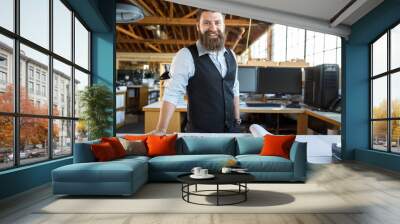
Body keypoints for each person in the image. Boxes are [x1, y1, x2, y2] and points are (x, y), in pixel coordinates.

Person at [150, 10, 241, 135]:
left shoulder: (232, 55)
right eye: (207, 23)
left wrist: (237, 119)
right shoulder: (186, 55)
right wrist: (161, 129)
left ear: (224, 26)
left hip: (232, 132)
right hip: (200, 135)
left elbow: (234, 88)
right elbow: (172, 93)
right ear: (198, 27)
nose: (213, 28)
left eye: (217, 22)